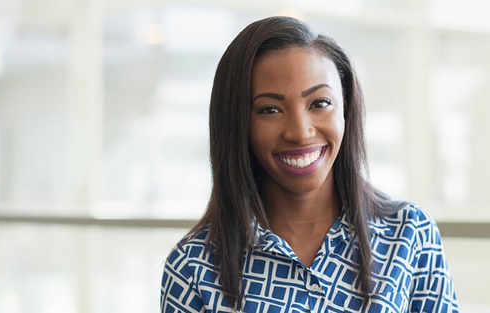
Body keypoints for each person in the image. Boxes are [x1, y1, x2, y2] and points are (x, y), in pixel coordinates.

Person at [160, 16, 459, 312]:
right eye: (270, 109)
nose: (300, 132)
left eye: (319, 103)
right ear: (238, 124)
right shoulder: (192, 268)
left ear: (345, 108)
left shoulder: (409, 235)